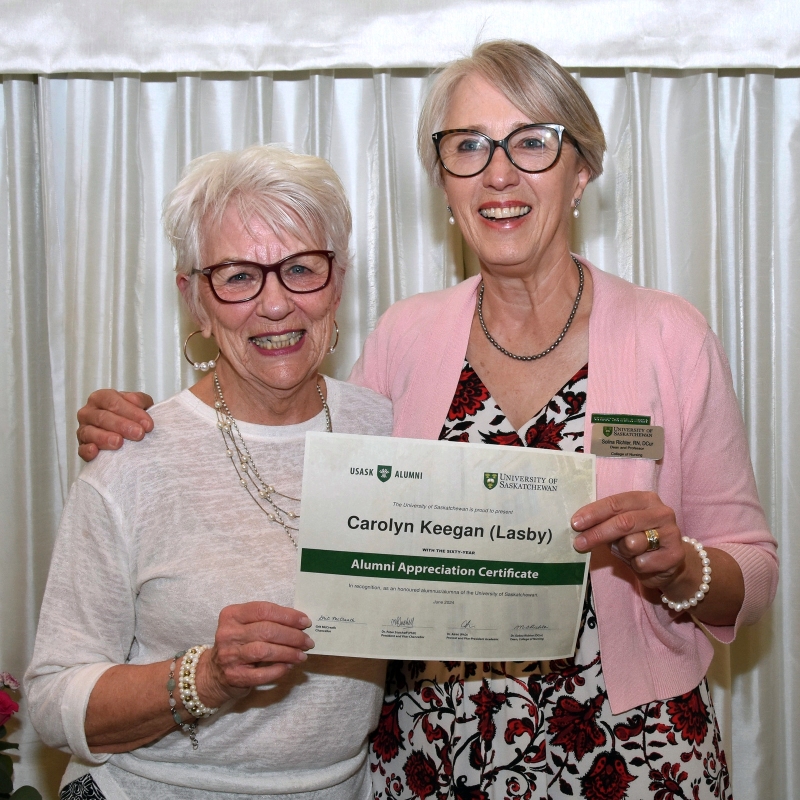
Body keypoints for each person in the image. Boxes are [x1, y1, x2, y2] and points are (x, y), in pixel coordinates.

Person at [73, 41, 777, 800]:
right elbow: (305, 460)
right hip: (433, 756)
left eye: (532, 142)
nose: (498, 173)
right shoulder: (405, 338)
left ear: (581, 172)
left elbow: (757, 570)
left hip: (632, 753)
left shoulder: (669, 335)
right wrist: (152, 422)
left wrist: (684, 568)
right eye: (468, 146)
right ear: (445, 181)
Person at [25, 145, 393, 800]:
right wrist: (207, 678)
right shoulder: (132, 456)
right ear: (195, 298)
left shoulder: (392, 431)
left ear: (338, 281)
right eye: (238, 276)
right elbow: (52, 703)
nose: (275, 305)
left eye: (300, 269)